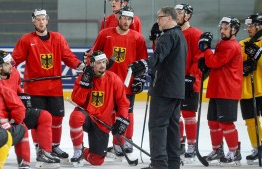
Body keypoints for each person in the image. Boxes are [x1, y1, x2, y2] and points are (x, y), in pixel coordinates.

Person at [12, 8, 85, 161]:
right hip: (34, 88)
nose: (41, 22)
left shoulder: (58, 38)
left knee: (57, 117)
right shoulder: (26, 40)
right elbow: (15, 59)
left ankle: (54, 146)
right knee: (38, 119)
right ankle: (40, 148)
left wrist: (81, 65)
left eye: (43, 19)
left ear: (47, 20)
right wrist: (3, 65)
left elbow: (68, 57)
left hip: (54, 88)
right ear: (34, 21)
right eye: (38, 19)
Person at [129, 6, 187, 169]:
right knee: (172, 127)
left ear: (169, 18)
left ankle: (159, 163)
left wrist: (143, 64)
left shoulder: (168, 37)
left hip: (164, 89)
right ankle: (173, 162)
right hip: (176, 89)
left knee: (157, 125)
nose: (157, 20)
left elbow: (158, 56)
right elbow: (167, 61)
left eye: (160, 17)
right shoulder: (179, 35)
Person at [91, 5, 148, 155]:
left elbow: (143, 61)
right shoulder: (105, 34)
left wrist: (140, 78)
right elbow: (95, 53)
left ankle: (126, 141)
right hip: (107, 82)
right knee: (109, 113)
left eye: (130, 19)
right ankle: (114, 142)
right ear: (118, 17)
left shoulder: (137, 37)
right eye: (124, 18)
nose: (127, 21)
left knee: (127, 113)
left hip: (127, 82)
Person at [0, 50, 61, 168]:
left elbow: (18, 90)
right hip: (2, 117)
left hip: (16, 111)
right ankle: (24, 162)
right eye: (7, 64)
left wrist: (24, 96)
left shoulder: (15, 73)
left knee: (44, 116)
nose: (11, 67)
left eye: (10, 63)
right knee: (21, 127)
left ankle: (44, 153)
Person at [68, 50, 130, 167]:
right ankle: (77, 151)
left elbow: (123, 103)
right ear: (91, 64)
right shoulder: (83, 78)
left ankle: (84, 151)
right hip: (87, 116)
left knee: (96, 161)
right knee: (76, 117)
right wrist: (85, 85)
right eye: (98, 63)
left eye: (104, 62)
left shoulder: (113, 78)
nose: (102, 65)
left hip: (102, 122)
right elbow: (78, 102)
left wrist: (122, 120)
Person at [198, 16, 243, 166]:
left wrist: (206, 50)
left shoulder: (231, 46)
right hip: (218, 89)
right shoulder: (222, 43)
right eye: (221, 28)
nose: (222, 31)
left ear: (234, 30)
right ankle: (217, 150)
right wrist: (205, 62)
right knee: (213, 122)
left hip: (227, 90)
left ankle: (234, 151)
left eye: (226, 29)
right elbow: (213, 64)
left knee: (226, 123)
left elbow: (214, 62)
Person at [239, 14, 262, 166]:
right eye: (247, 26)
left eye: (251, 26)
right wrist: (243, 69)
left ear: (260, 26)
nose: (248, 28)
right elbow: (235, 69)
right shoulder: (242, 44)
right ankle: (256, 149)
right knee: (250, 122)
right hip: (247, 90)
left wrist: (258, 55)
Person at [174, 3, 204, 162]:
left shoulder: (195, 33)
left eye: (179, 12)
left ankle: (192, 145)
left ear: (188, 15)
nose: (176, 15)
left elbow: (199, 58)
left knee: (188, 114)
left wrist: (191, 76)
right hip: (174, 81)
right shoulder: (173, 33)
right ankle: (179, 143)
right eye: (175, 12)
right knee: (175, 115)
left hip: (190, 81)